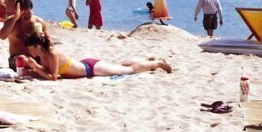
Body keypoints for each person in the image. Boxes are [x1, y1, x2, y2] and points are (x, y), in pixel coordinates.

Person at [19, 31, 172, 78]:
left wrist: (36, 68)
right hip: (85, 64)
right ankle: (146, 60)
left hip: (91, 69)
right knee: (119, 65)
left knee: (129, 70)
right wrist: (32, 69)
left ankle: (157, 63)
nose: (30, 52)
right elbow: (48, 71)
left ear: (38, 47)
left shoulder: (51, 53)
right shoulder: (43, 55)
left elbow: (53, 78)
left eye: (31, 49)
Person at [0, 0, 49, 68]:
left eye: (28, 13)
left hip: (37, 58)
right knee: (22, 59)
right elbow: (2, 36)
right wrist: (15, 18)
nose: (26, 16)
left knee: (53, 56)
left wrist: (43, 39)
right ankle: (38, 69)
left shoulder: (39, 22)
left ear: (32, 10)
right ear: (17, 11)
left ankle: (37, 68)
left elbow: (50, 43)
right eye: (23, 13)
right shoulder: (11, 21)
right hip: (17, 58)